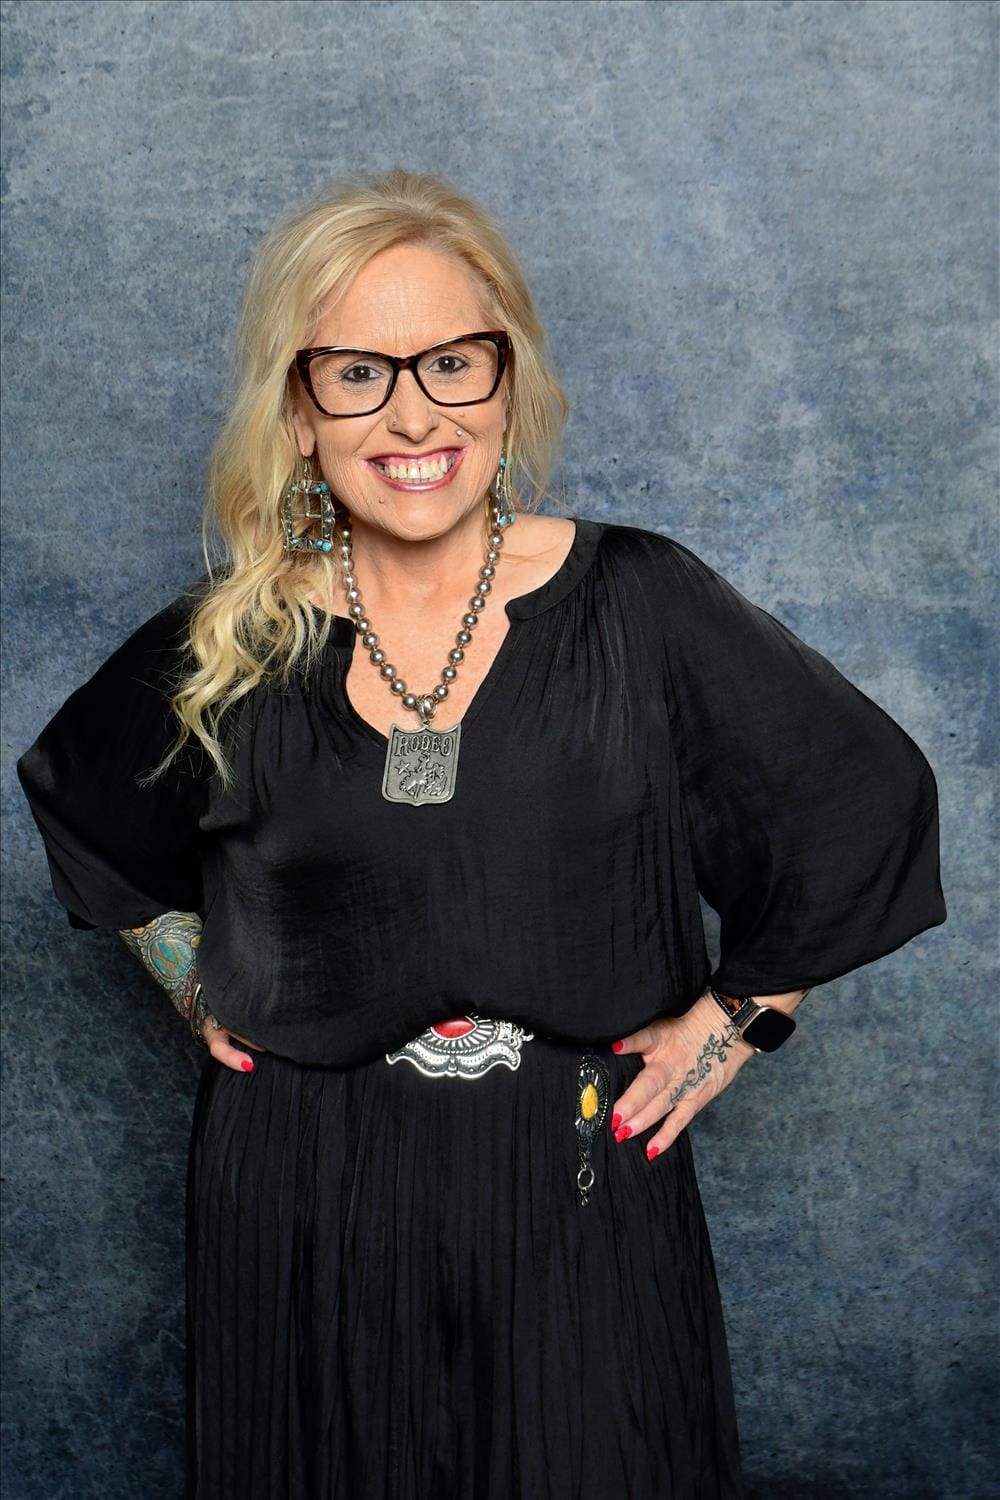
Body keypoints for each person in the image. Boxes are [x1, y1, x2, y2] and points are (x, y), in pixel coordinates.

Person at [17, 167, 946, 1500]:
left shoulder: (641, 603)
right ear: (297, 410)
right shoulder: (226, 643)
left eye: (453, 362)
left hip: (578, 1176)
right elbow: (83, 808)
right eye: (358, 374)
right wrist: (189, 974)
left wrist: (740, 1019)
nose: (414, 415)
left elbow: (858, 799)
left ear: (507, 382)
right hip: (300, 1196)